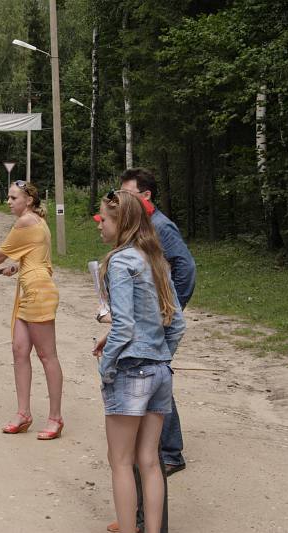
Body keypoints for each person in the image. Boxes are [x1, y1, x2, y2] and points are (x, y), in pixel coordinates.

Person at [93, 189, 186, 533]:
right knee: (149, 461)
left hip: (131, 372)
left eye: (104, 218)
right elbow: (177, 323)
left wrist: (107, 368)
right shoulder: (155, 258)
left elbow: (125, 326)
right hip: (160, 371)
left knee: (119, 461)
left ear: (121, 222)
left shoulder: (119, 261)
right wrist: (160, 354)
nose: (99, 225)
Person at [0, 180, 64, 440]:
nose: (9, 202)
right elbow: (34, 255)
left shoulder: (26, 222)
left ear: (28, 200)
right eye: (8, 198)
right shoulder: (36, 222)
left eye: (13, 198)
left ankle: (55, 418)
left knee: (47, 355)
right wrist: (17, 267)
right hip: (28, 290)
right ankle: (24, 414)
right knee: (19, 351)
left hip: (39, 292)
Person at [121, 167, 195, 475]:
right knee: (155, 377)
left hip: (161, 320)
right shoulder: (141, 225)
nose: (122, 198)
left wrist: (169, 306)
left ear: (145, 195)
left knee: (155, 377)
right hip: (153, 319)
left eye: (127, 193)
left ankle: (170, 453)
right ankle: (156, 447)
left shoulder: (162, 226)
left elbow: (186, 268)